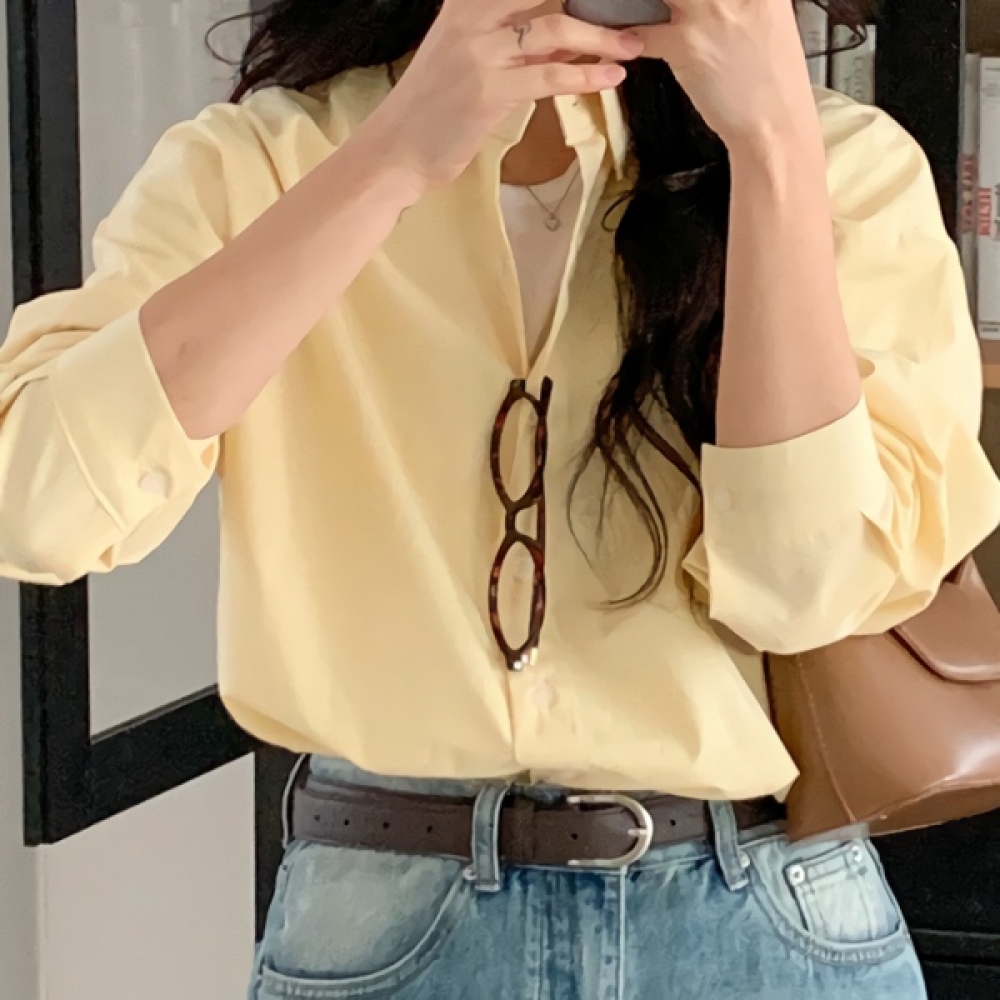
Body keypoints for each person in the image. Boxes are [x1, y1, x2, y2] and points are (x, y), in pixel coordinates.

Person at [2, 0, 998, 995]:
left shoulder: (843, 165)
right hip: (381, 920)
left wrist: (772, 145)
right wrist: (391, 161)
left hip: (760, 919)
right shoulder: (259, 163)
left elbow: (806, 589)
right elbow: (40, 508)